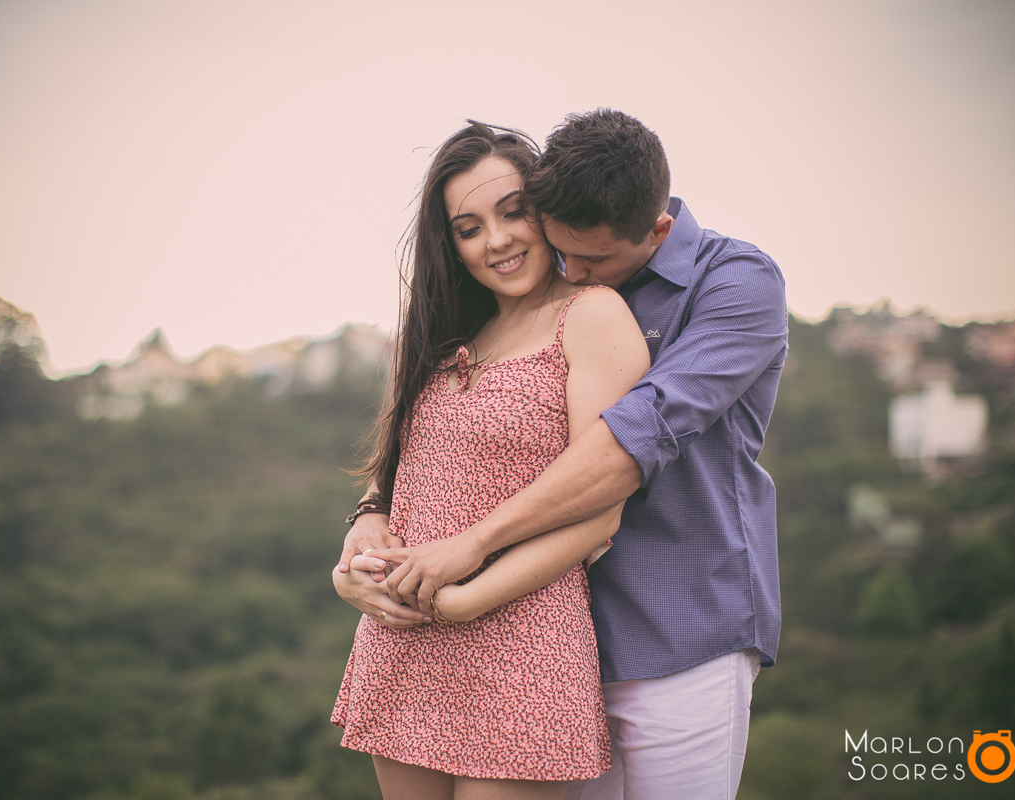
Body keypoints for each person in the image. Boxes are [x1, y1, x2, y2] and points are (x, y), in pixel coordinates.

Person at [340, 109, 788, 800]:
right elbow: (426, 459)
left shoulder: (730, 284)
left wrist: (467, 557)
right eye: (564, 246)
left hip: (676, 627)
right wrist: (366, 527)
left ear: (655, 231)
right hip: (559, 622)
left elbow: (624, 450)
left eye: (593, 259)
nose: (575, 268)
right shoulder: (489, 310)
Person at [330, 121, 651, 799]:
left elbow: (600, 514)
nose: (498, 240)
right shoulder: (443, 333)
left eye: (513, 212)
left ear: (546, 211)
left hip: (521, 642)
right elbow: (400, 478)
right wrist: (361, 539)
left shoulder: (591, 317)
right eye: (469, 227)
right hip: (404, 639)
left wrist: (460, 602)